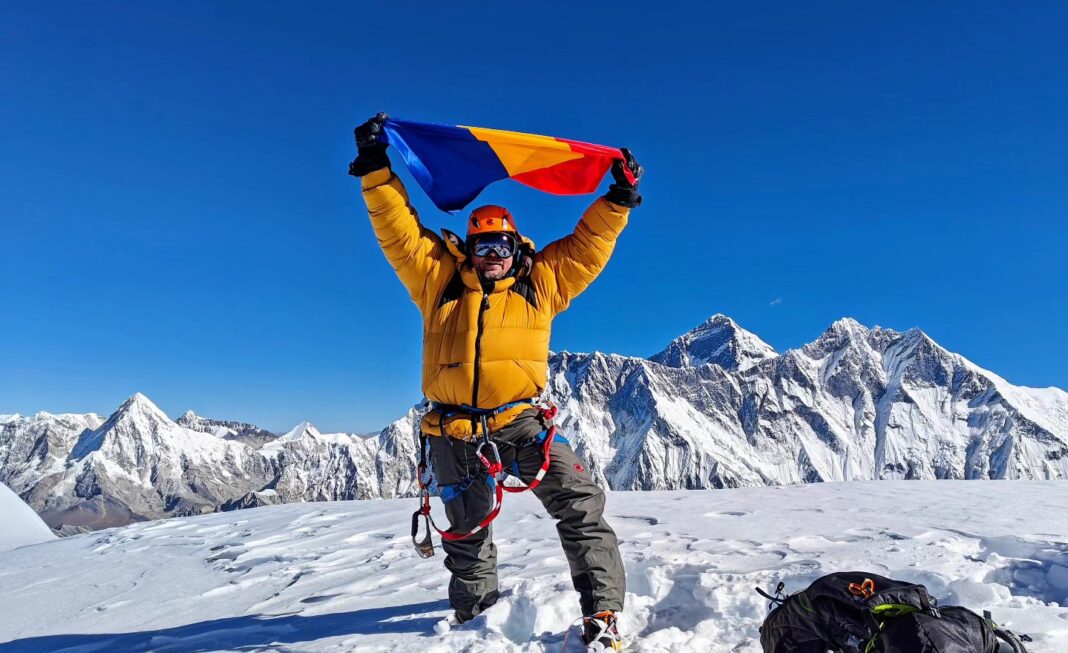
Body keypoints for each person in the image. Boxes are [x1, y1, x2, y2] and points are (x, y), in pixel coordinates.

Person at [349, 113, 643, 651]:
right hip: (453, 431)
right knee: (467, 534)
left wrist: (618, 198)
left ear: (515, 248)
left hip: (521, 423)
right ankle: (476, 621)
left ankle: (602, 613)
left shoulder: (542, 283)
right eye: (482, 248)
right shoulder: (437, 281)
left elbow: (588, 245)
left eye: (501, 247)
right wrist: (375, 168)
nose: (492, 258)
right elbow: (398, 232)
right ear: (468, 248)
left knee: (580, 503)